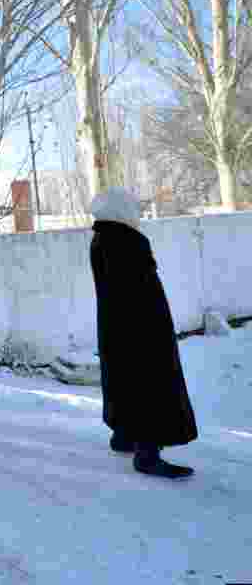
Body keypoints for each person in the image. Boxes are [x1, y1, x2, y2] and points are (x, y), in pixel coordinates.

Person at [90, 187, 197, 479]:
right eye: (131, 208)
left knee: (124, 378)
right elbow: (140, 291)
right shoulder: (125, 240)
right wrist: (155, 331)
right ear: (120, 210)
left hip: (117, 327)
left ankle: (124, 434)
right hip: (141, 329)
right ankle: (148, 452)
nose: (135, 213)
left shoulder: (102, 238)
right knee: (151, 383)